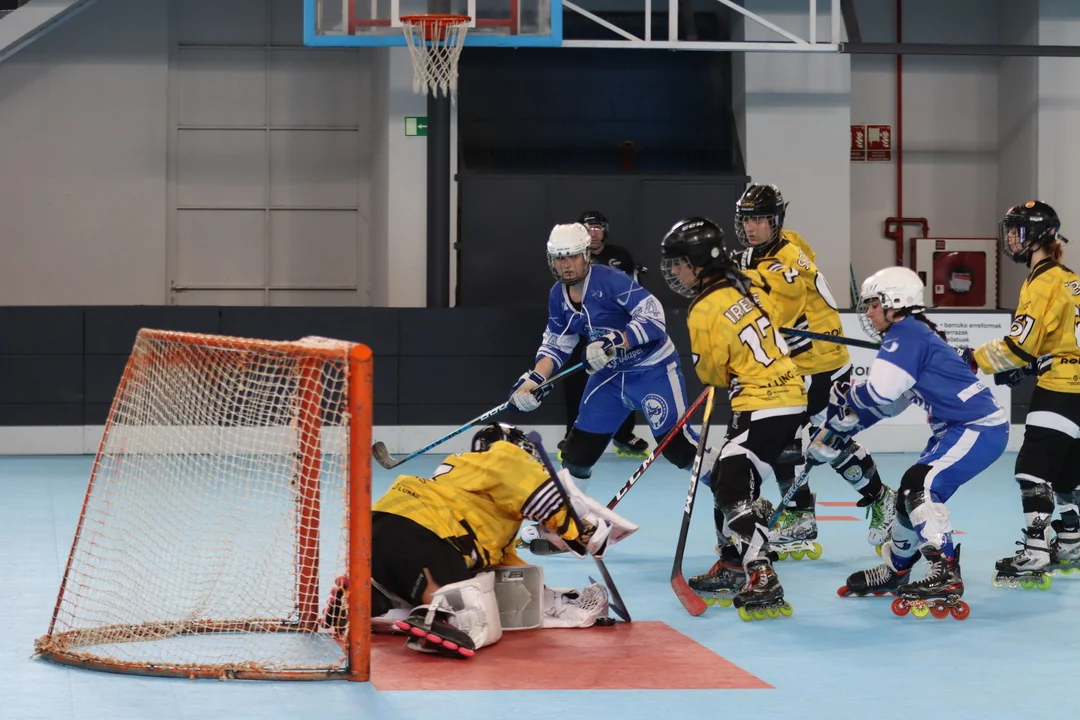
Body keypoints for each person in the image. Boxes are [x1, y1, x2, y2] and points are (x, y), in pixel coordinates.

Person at [321, 423, 636, 658]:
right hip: (427, 535)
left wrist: (549, 595)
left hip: (378, 535)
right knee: (477, 613)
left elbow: (508, 573)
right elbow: (535, 490)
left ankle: (377, 601)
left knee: (431, 587)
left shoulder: (467, 490)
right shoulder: (507, 456)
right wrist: (581, 530)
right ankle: (443, 616)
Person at [826, 267, 1008, 618]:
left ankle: (945, 570)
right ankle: (898, 570)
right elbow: (891, 404)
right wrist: (846, 425)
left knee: (918, 486)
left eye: (874, 304)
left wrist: (845, 397)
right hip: (956, 429)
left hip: (976, 428)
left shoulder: (905, 334)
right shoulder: (911, 334)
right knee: (908, 497)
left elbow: (880, 392)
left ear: (895, 302)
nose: (869, 313)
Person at [733, 183, 896, 557]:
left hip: (817, 363)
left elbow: (771, 317)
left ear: (776, 220)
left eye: (760, 219)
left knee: (810, 438)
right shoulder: (776, 247)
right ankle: (808, 512)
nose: (752, 227)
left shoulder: (783, 263)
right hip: (806, 362)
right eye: (747, 219)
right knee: (806, 439)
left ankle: (857, 502)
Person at [661, 216, 806, 620]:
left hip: (764, 402)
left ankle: (761, 573)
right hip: (785, 395)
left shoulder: (702, 308)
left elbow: (710, 372)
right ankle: (731, 563)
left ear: (698, 263)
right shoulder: (748, 281)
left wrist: (725, 372)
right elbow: (781, 310)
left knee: (731, 488)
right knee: (726, 475)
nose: (675, 272)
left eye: (679, 264)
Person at [509, 222, 703, 498]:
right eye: (560, 258)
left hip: (651, 369)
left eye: (573, 257)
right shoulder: (557, 295)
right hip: (609, 377)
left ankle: (738, 497)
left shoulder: (611, 280)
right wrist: (535, 380)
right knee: (577, 455)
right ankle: (568, 517)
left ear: (586, 255)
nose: (567, 265)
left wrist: (614, 341)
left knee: (679, 448)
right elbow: (556, 344)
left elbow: (654, 317)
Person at [965, 201, 1080, 586]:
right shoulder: (1070, 278)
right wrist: (1030, 366)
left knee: (1033, 468)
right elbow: (1058, 341)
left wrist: (975, 357)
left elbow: (1020, 345)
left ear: (1036, 236)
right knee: (1067, 472)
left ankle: (1035, 550)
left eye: (1017, 231)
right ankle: (1071, 540)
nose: (1011, 239)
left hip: (1061, 388)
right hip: (1075, 386)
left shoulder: (1041, 281)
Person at [558, 211, 650, 459]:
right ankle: (572, 435)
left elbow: (635, 291)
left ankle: (623, 435)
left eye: (597, 228)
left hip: (614, 329)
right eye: (588, 228)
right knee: (575, 380)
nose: (593, 233)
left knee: (624, 377)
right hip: (582, 327)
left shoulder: (620, 257)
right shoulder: (572, 259)